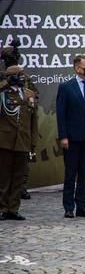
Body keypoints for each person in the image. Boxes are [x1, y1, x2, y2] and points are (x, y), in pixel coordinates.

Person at [56, 55, 85, 218]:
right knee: (71, 173)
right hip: (71, 137)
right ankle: (68, 207)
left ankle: (81, 205)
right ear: (77, 68)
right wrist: (63, 136)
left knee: (84, 173)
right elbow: (61, 114)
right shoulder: (66, 87)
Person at [0, 66, 38, 220]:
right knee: (4, 177)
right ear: (11, 77)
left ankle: (13, 208)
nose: (23, 77)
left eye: (23, 74)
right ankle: (3, 208)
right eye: (19, 75)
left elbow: (33, 121)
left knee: (18, 177)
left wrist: (33, 141)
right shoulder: (3, 94)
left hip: (23, 141)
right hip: (5, 141)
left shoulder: (30, 94)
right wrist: (5, 84)